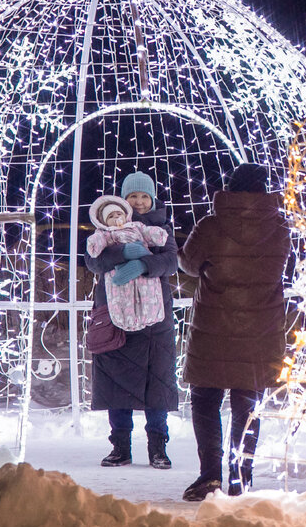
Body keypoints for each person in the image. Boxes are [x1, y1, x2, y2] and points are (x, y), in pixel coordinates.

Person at [178, 162, 292, 501]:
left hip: (213, 325)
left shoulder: (211, 225)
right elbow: (284, 267)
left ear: (229, 187)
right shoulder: (281, 227)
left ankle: (209, 475)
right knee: (248, 403)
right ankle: (240, 476)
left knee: (205, 399)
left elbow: (187, 263)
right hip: (262, 327)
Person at [84, 171, 179, 469]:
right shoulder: (107, 226)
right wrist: (121, 251)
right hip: (115, 316)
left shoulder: (162, 227)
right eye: (132, 196)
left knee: (157, 384)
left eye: (144, 196)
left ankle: (157, 448)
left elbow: (172, 261)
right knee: (116, 383)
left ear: (152, 199)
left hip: (155, 319)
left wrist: (143, 264)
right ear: (122, 200)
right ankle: (120, 447)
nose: (138, 202)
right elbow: (93, 261)